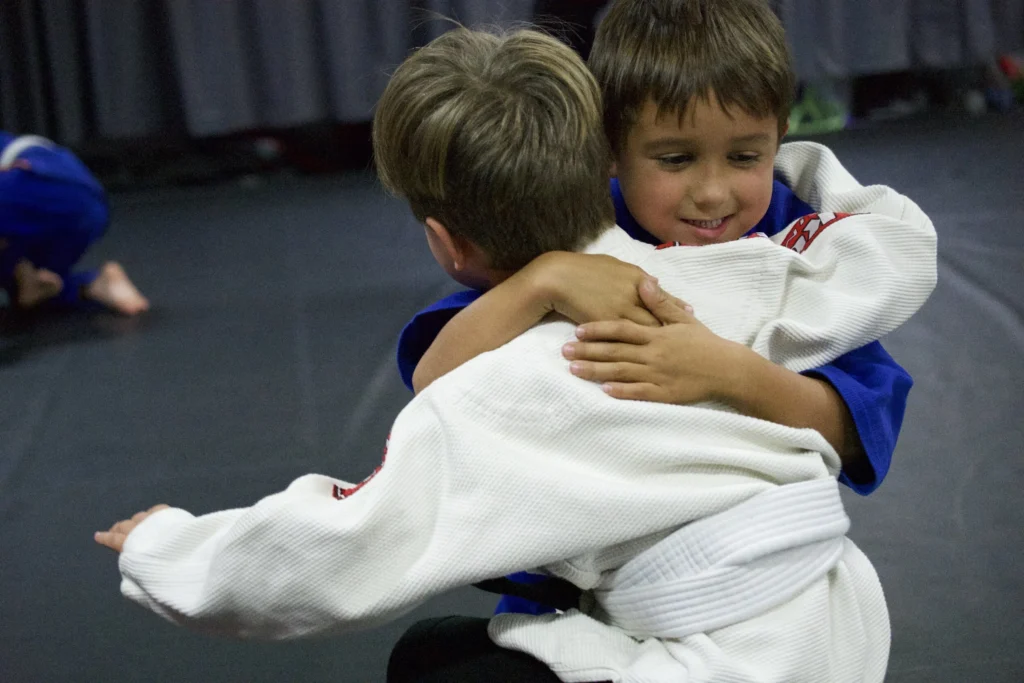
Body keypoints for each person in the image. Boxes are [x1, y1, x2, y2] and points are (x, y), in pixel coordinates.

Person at [95, 27, 935, 683]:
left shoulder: (511, 386)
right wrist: (810, 171)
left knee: (436, 662)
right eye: (677, 159)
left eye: (745, 157)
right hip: (839, 614)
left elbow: (337, 549)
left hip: (740, 656)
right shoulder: (740, 261)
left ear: (445, 242)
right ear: (608, 165)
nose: (712, 192)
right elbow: (886, 244)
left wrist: (167, 547)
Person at [0, 132, 149, 315]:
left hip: (42, 186)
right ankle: (92, 284)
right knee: (25, 291)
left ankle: (21, 268)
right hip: (88, 207)